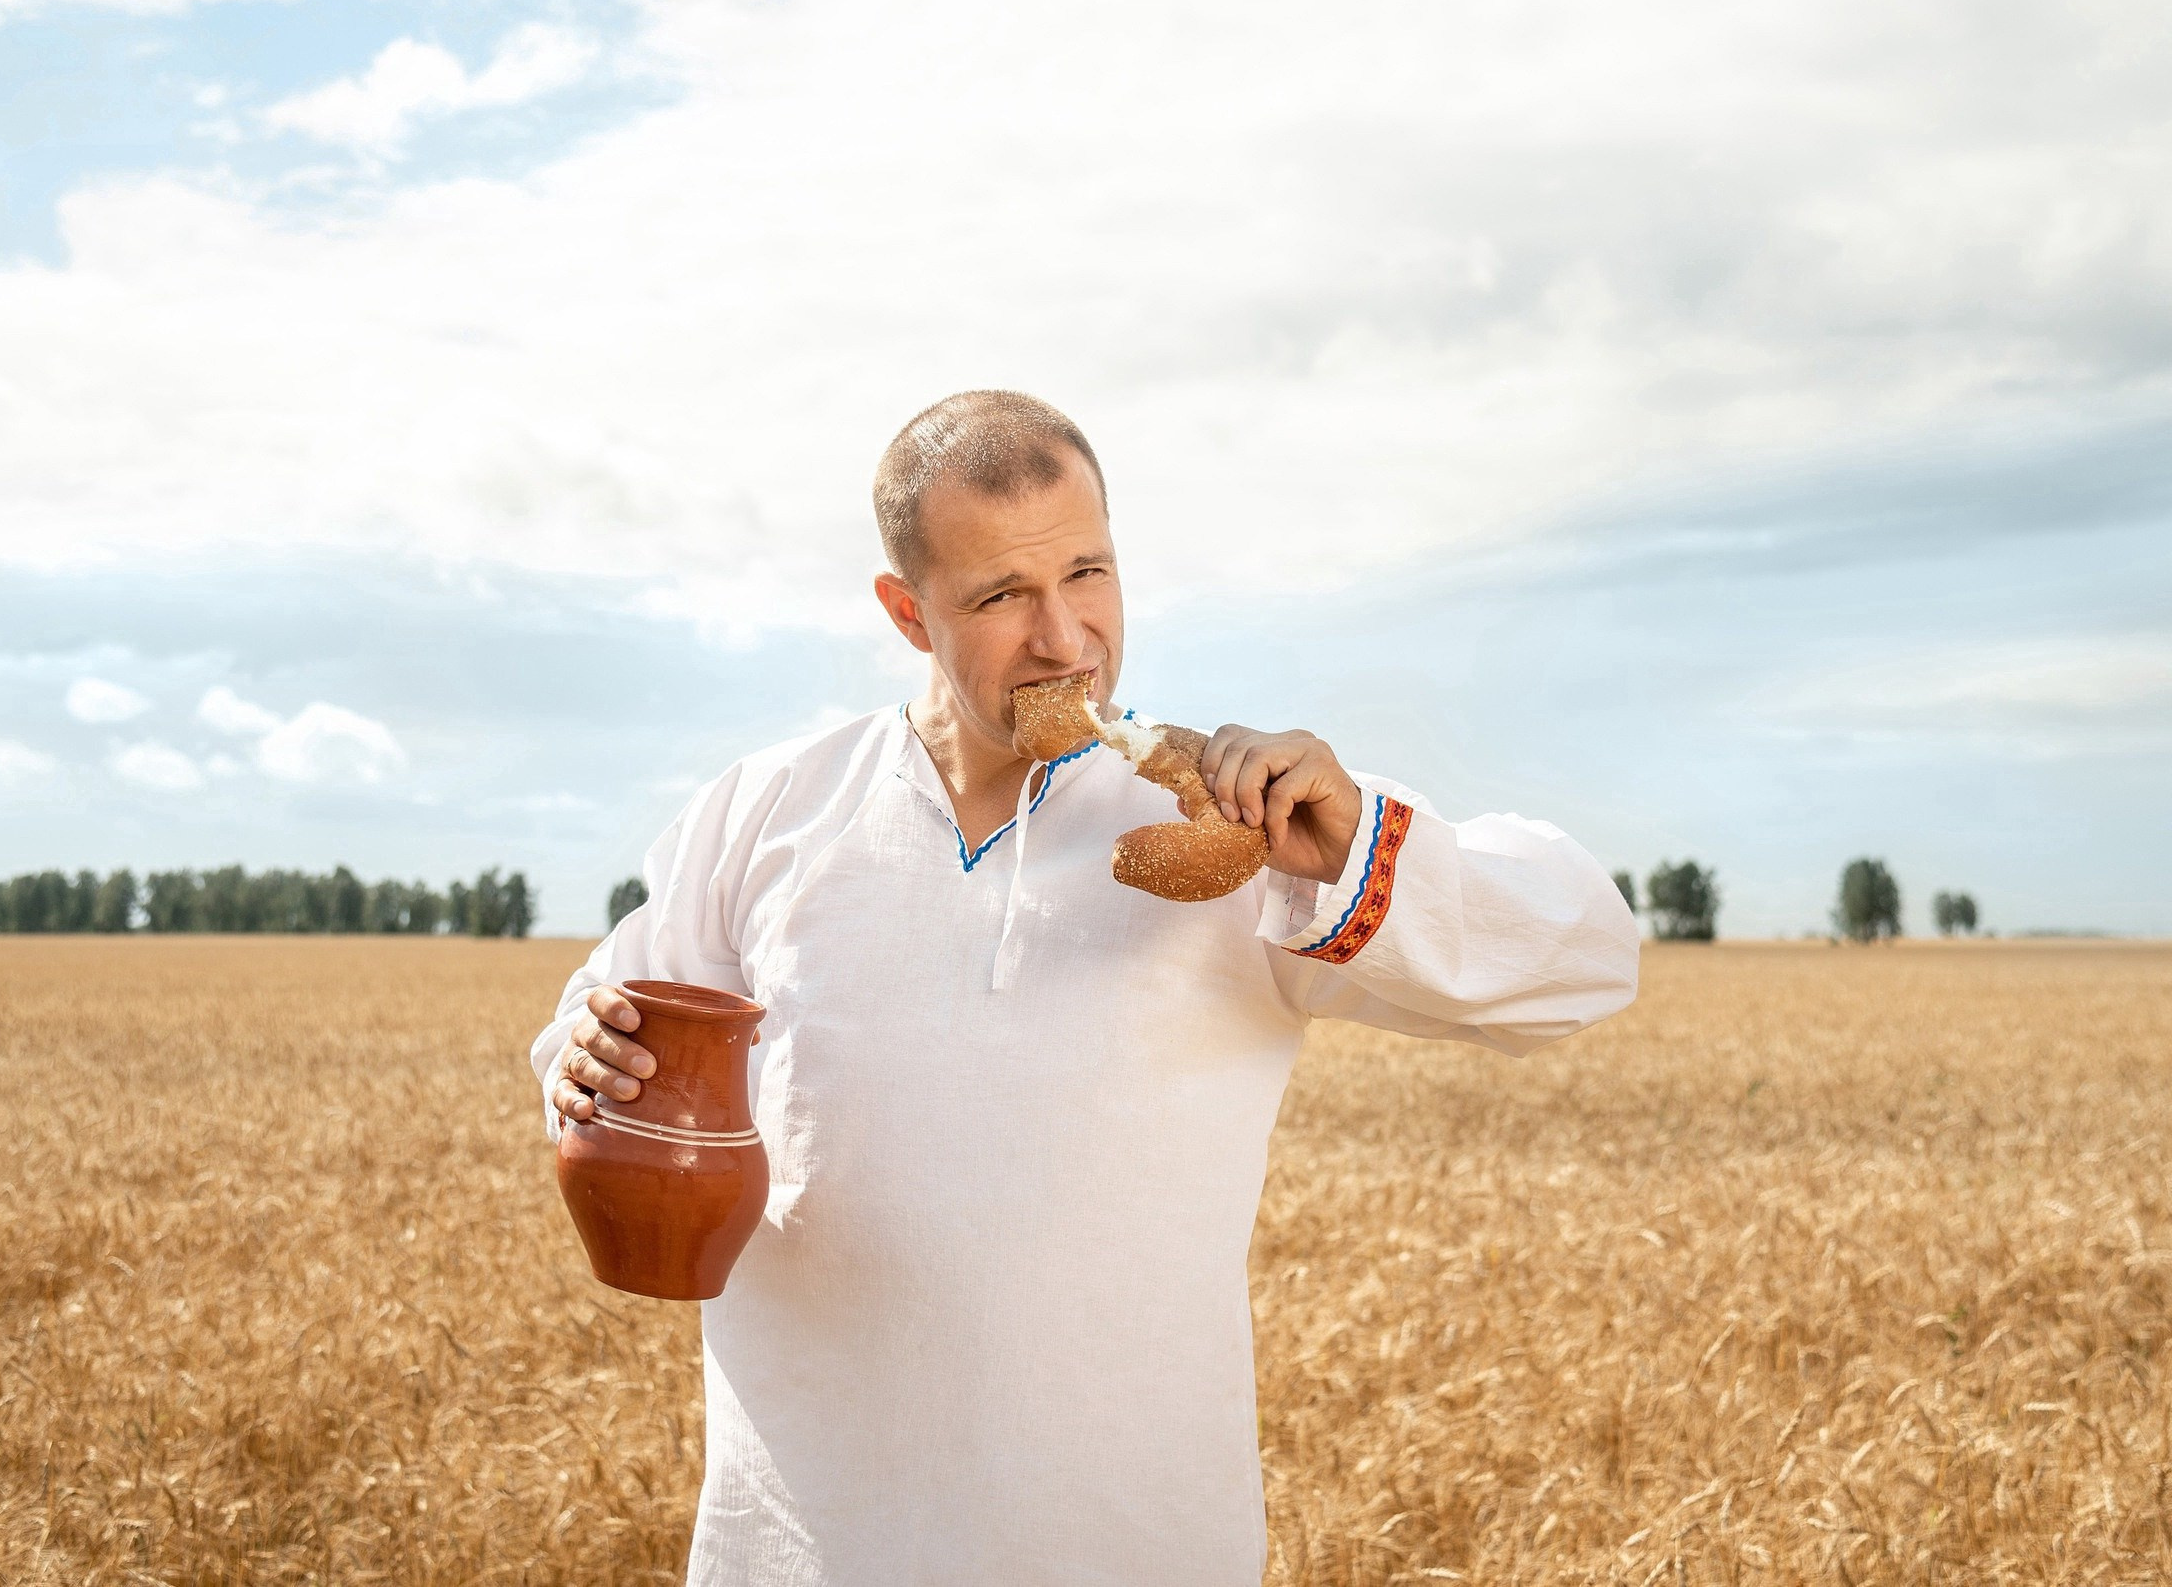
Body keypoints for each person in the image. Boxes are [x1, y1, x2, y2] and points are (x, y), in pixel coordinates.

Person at [531, 391, 1639, 1586]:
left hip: (1130, 1545)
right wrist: (585, 1058)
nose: (1065, 638)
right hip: (799, 1542)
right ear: (906, 612)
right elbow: (606, 1042)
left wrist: (1359, 843)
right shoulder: (769, 810)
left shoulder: (1239, 820)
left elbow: (1582, 961)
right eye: (1001, 595)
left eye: (1088, 572)